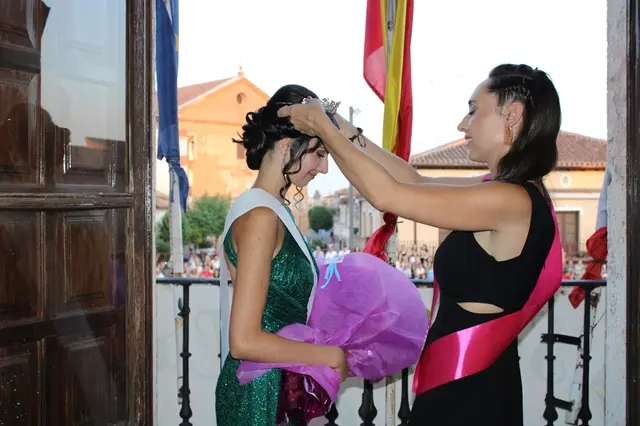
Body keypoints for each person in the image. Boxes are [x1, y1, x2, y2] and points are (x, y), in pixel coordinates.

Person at [278, 64, 561, 425]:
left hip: (470, 391)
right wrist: (346, 131)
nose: (463, 124)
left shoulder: (509, 200)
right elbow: (413, 181)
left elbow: (388, 195)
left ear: (512, 114)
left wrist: (322, 128)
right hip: (466, 381)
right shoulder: (504, 191)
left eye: (474, 109)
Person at [215, 84, 348, 426]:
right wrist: (329, 355)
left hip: (276, 384)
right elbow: (243, 341)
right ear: (288, 145)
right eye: (319, 153)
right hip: (261, 394)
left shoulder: (272, 209)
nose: (323, 168)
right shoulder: (261, 216)